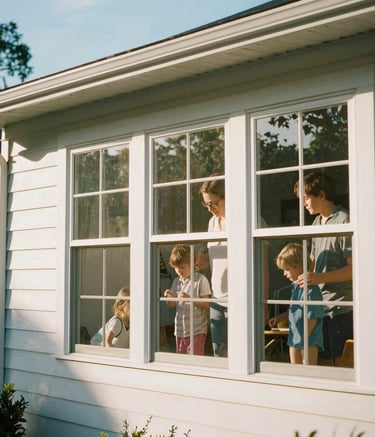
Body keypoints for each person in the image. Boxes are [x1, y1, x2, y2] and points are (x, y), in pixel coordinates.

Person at [294, 171, 352, 366]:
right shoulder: (316, 222)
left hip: (340, 308)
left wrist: (318, 278)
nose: (303, 203)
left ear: (322, 194)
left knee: (339, 366)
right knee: (321, 365)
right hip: (318, 307)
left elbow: (354, 270)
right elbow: (313, 263)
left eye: (305, 198)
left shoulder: (344, 220)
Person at [269, 243, 324, 365]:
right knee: (295, 369)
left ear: (299, 266)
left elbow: (313, 316)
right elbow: (294, 310)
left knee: (308, 369)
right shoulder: (296, 287)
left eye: (287, 270)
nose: (284, 274)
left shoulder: (311, 290)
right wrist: (280, 318)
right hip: (294, 337)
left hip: (309, 339)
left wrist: (304, 337)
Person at [164, 244, 211, 355]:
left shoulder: (200, 280)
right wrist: (169, 297)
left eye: (182, 267)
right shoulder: (176, 281)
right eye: (176, 267)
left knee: (195, 361)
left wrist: (190, 299)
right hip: (180, 330)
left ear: (192, 264)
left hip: (196, 330)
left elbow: (207, 304)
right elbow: (171, 305)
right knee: (181, 361)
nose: (179, 271)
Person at [198, 177, 228, 357]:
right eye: (206, 204)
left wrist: (262, 302)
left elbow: (262, 265)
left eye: (213, 203)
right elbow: (210, 259)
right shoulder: (212, 223)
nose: (210, 209)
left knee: (239, 354)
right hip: (216, 298)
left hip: (240, 298)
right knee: (219, 352)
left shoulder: (246, 218)